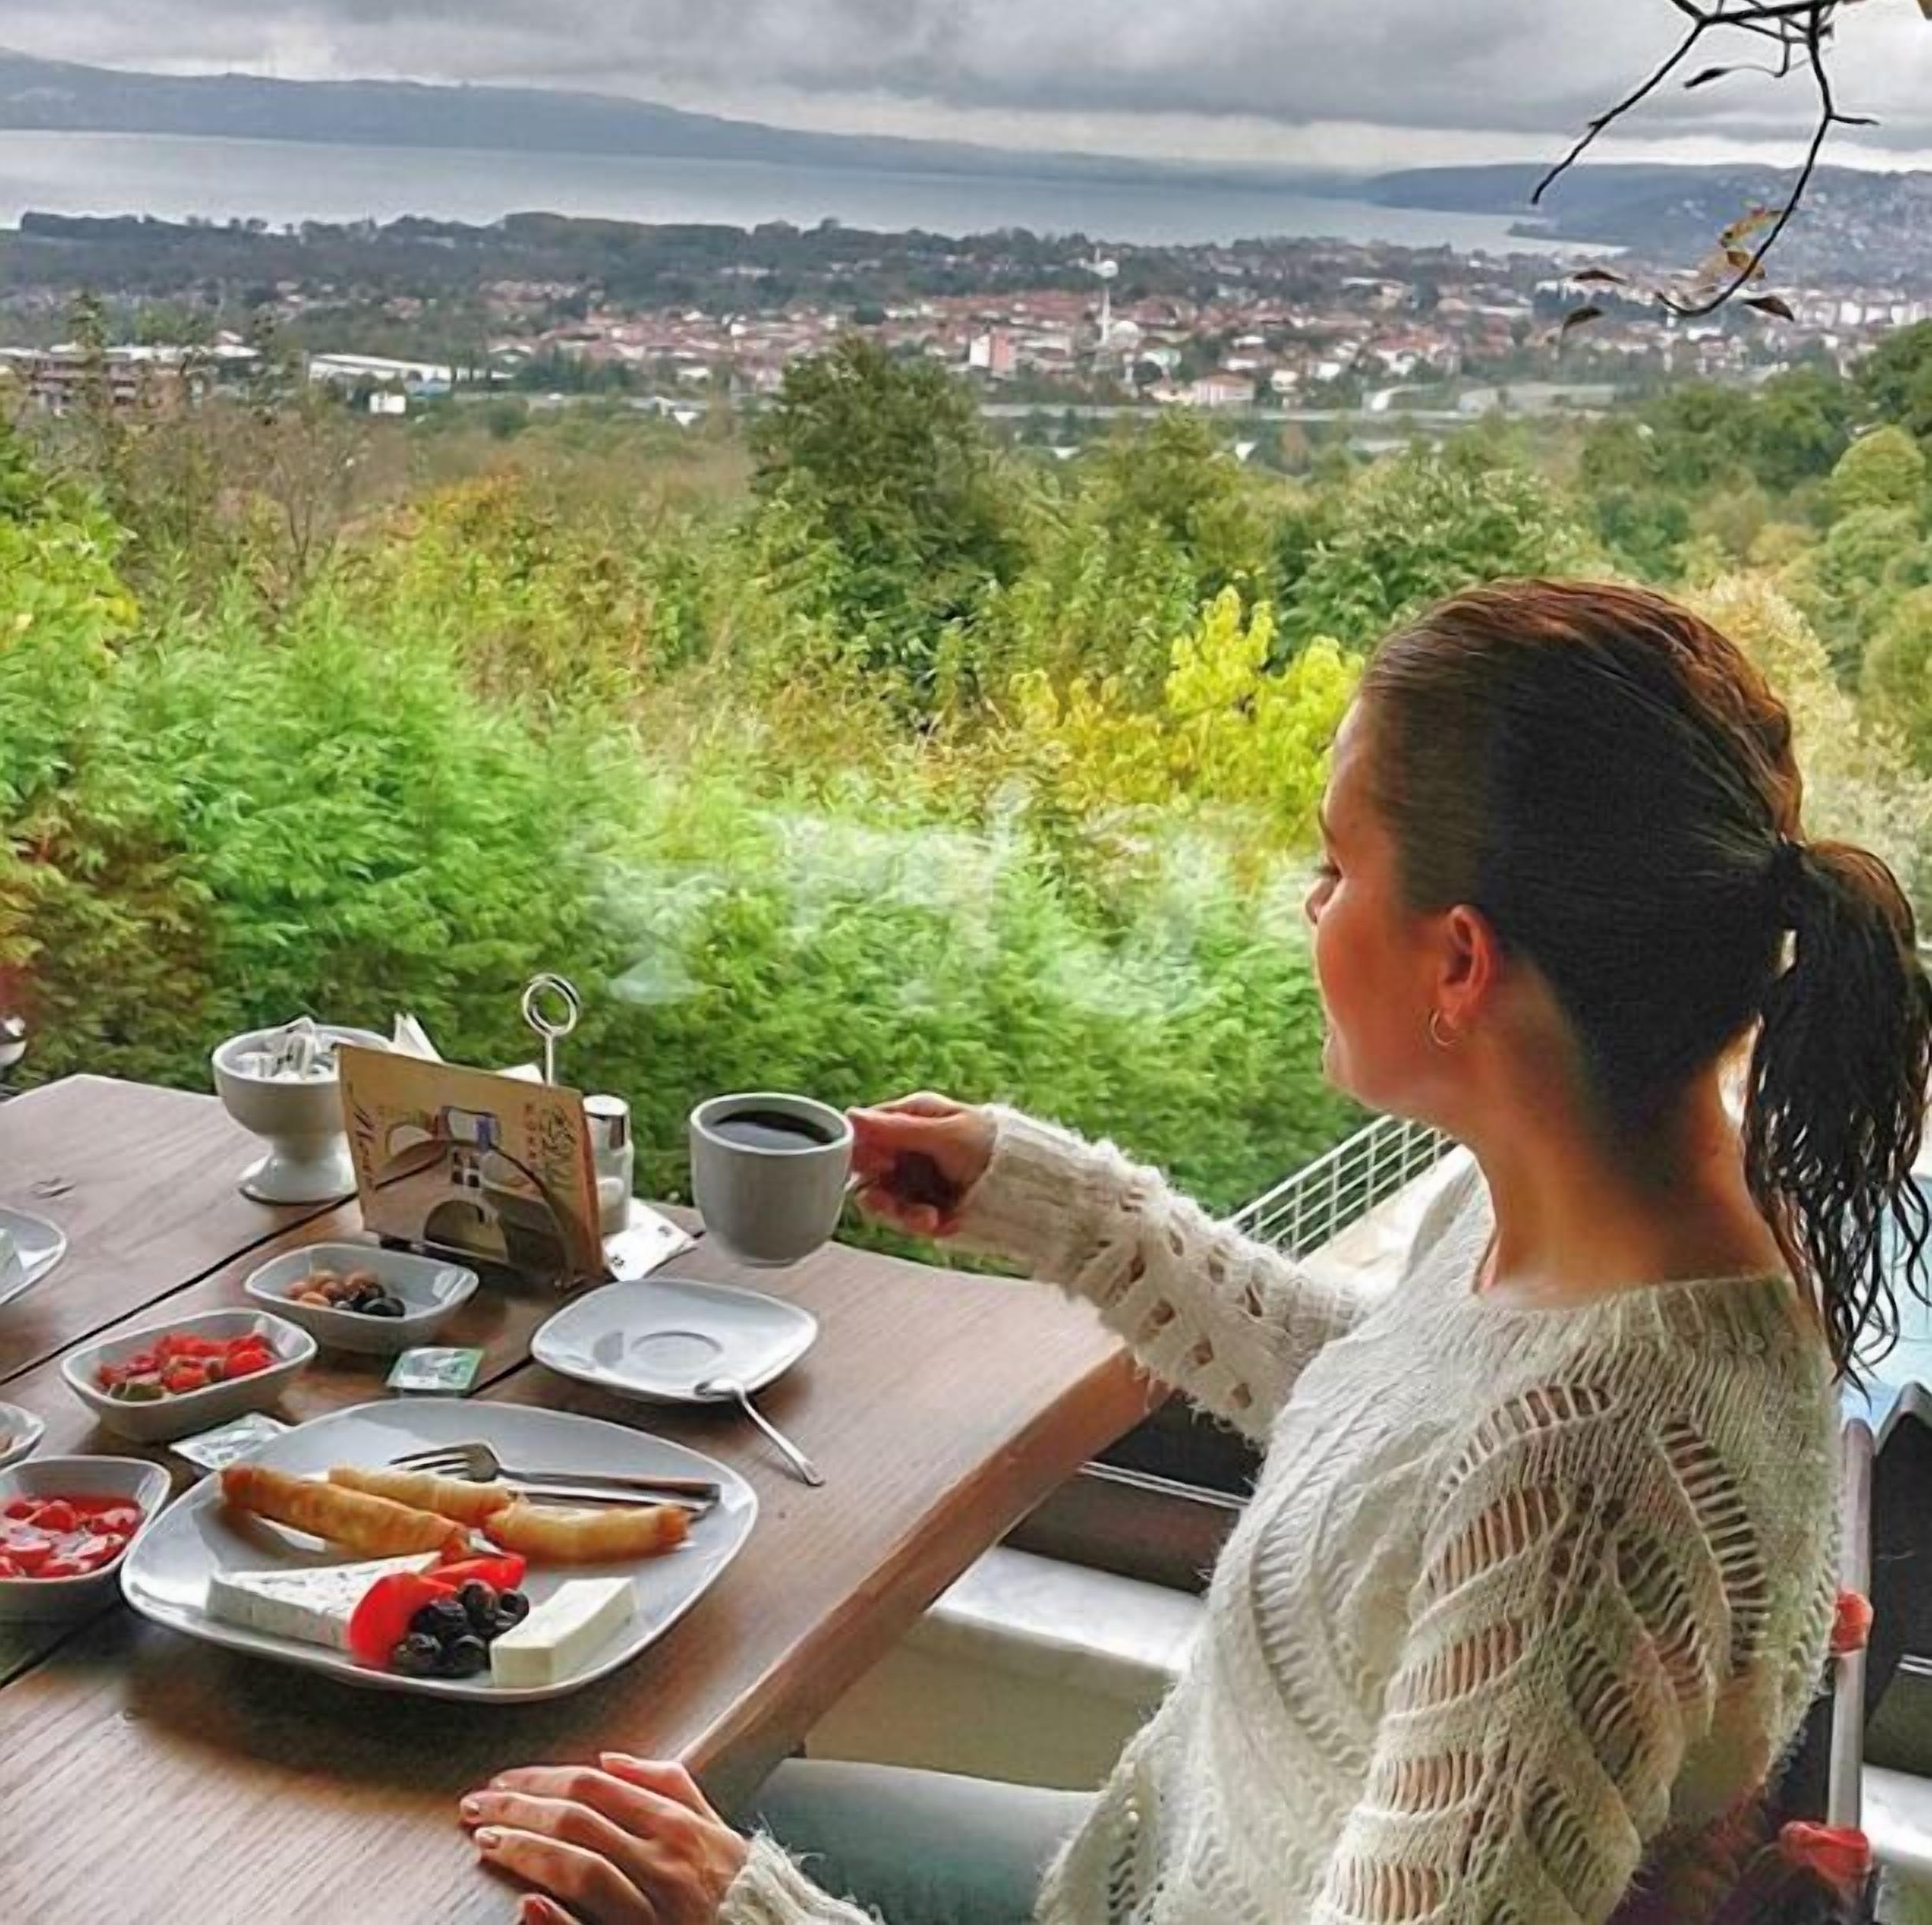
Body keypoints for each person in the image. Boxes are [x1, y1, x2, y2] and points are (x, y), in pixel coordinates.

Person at [459, 579, 1932, 1924]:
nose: (1309, 908)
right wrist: (1055, 1203)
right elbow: (1393, 1424)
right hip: (1152, 1869)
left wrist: (767, 1919)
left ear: (1462, 962)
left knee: (578, 1856)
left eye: (1334, 867)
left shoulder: (1591, 1476)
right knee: (669, 1810)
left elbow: (1499, 1491)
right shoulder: (1599, 1202)